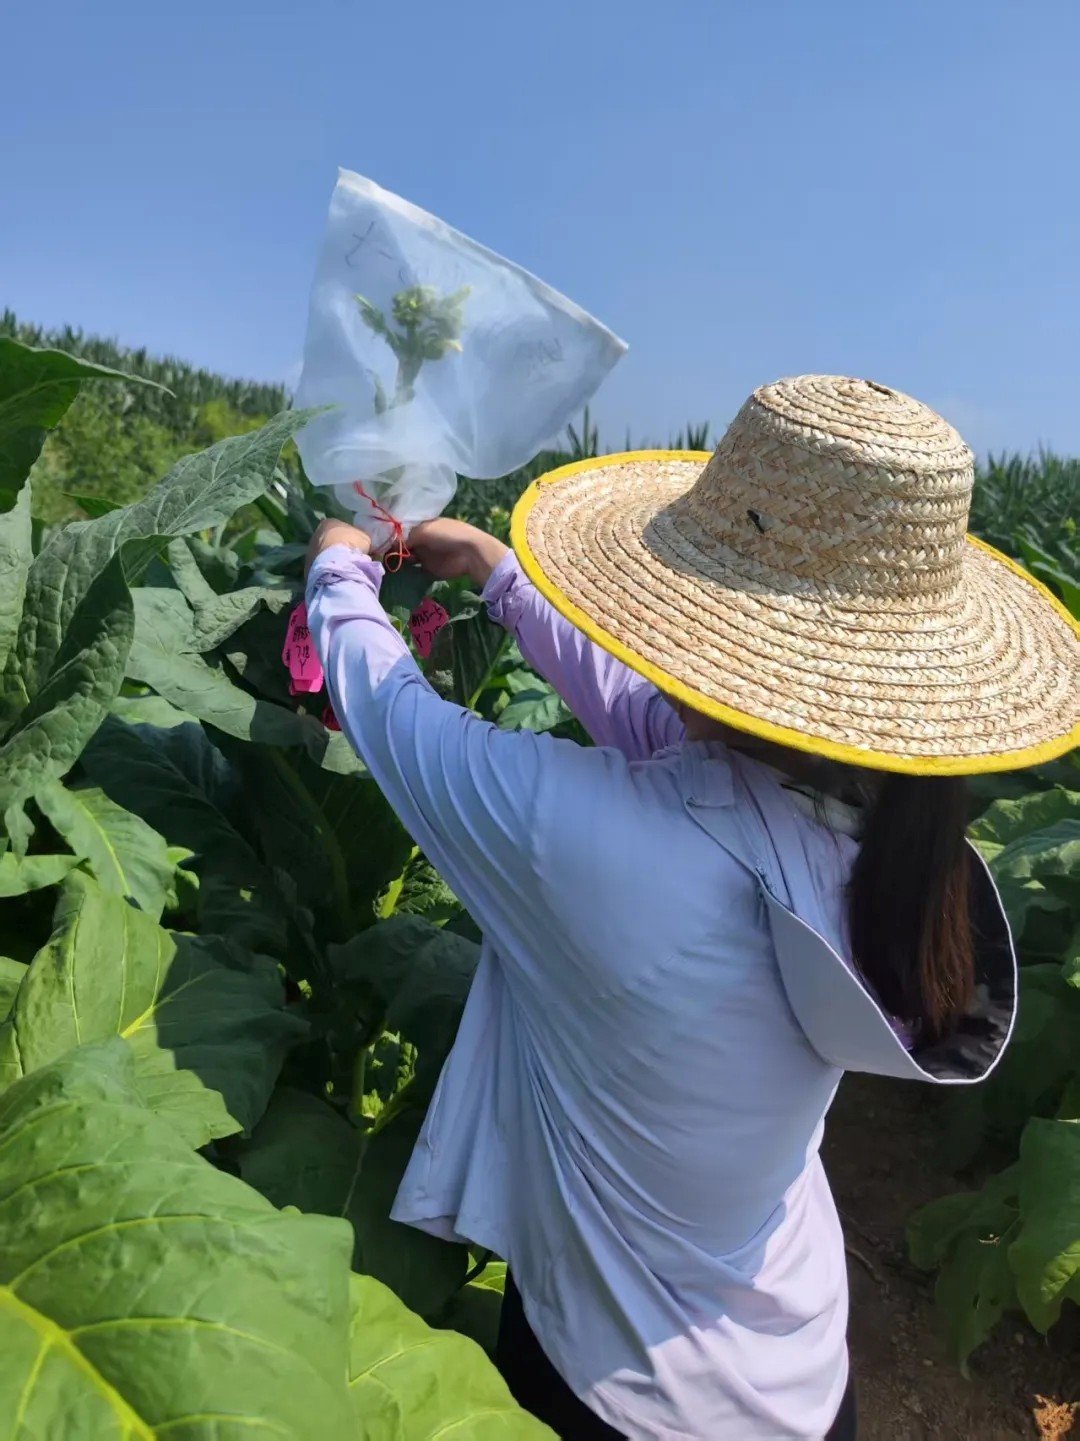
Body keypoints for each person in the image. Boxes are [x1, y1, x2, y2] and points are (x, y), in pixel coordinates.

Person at [304, 375, 1080, 1440]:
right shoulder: (876, 833)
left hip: (618, 1385)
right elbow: (667, 733)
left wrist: (338, 568)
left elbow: (398, 724)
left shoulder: (593, 840)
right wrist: (496, 574)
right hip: (800, 1368)